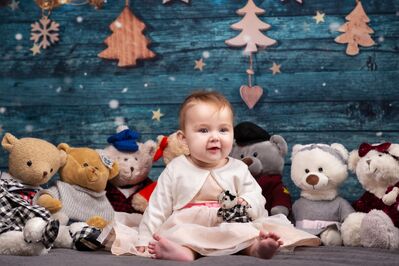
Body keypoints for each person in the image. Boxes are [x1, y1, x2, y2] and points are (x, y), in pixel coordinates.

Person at [134, 91, 320, 261]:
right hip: (190, 224)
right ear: (184, 138)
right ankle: (183, 253)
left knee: (244, 234)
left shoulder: (238, 168)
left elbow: (256, 195)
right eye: (204, 130)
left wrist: (245, 202)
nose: (215, 137)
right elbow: (158, 206)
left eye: (223, 130)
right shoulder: (177, 168)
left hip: (229, 220)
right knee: (183, 236)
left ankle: (257, 248)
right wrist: (145, 237)